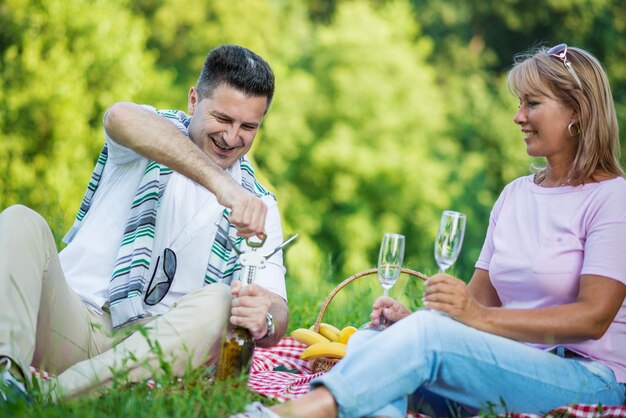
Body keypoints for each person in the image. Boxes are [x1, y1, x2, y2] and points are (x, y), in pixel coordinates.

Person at [236, 43, 626, 418]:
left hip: (587, 377)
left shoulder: (613, 197)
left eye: (532, 103)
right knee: (370, 342)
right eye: (519, 103)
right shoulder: (515, 195)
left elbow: (592, 318)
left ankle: (294, 413)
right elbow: (477, 303)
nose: (518, 117)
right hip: (503, 366)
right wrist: (412, 325)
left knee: (418, 338)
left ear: (576, 110)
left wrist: (473, 319)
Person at [0, 44, 289, 402]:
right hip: (71, 319)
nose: (232, 138)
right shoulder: (153, 131)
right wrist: (224, 188)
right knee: (19, 221)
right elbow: (119, 116)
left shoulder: (261, 204)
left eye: (248, 127)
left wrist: (268, 319)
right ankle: (6, 375)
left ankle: (48, 398)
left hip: (147, 353)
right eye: (223, 119)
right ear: (194, 100)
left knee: (221, 302)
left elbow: (277, 303)